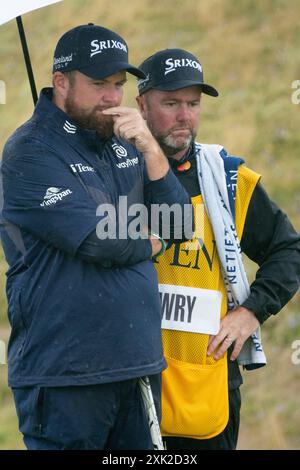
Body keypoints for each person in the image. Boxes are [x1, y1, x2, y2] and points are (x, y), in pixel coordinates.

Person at [0, 28, 193, 450]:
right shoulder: (29, 152)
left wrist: (150, 149)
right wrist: (154, 239)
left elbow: (180, 223)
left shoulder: (126, 143)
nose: (111, 98)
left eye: (119, 85)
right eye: (98, 84)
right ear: (62, 81)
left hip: (138, 365)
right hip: (65, 376)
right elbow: (98, 241)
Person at [136, 48, 300, 450]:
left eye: (193, 104)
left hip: (209, 388)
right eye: (170, 103)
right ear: (141, 104)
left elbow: (288, 251)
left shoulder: (227, 178)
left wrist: (250, 312)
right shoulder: (115, 177)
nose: (184, 116)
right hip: (132, 384)